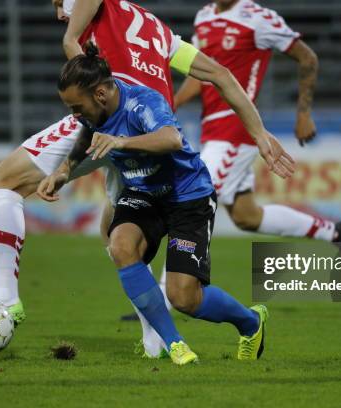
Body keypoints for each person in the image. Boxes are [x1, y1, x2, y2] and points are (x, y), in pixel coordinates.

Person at [0, 0, 294, 358]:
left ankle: (5, 300)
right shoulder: (160, 34)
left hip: (123, 128)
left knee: (3, 182)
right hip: (144, 143)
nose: (58, 13)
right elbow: (221, 75)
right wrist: (259, 134)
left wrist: (75, 45)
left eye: (58, 2)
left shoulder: (96, 11)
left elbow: (74, 55)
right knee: (117, 237)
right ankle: (157, 341)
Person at [39, 48, 269, 365]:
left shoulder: (142, 102)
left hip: (188, 195)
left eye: (77, 108)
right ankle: (174, 343)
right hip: (144, 193)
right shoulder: (94, 113)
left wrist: (121, 142)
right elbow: (86, 135)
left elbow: (171, 139)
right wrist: (63, 171)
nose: (75, 115)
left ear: (101, 93)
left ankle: (250, 322)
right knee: (120, 245)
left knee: (184, 297)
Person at [174, 0, 341, 243]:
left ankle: (168, 282)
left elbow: (307, 58)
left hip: (236, 128)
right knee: (246, 215)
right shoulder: (204, 16)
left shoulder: (257, 18)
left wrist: (303, 114)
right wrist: (170, 105)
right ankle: (336, 233)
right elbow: (199, 76)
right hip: (212, 128)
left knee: (191, 201)